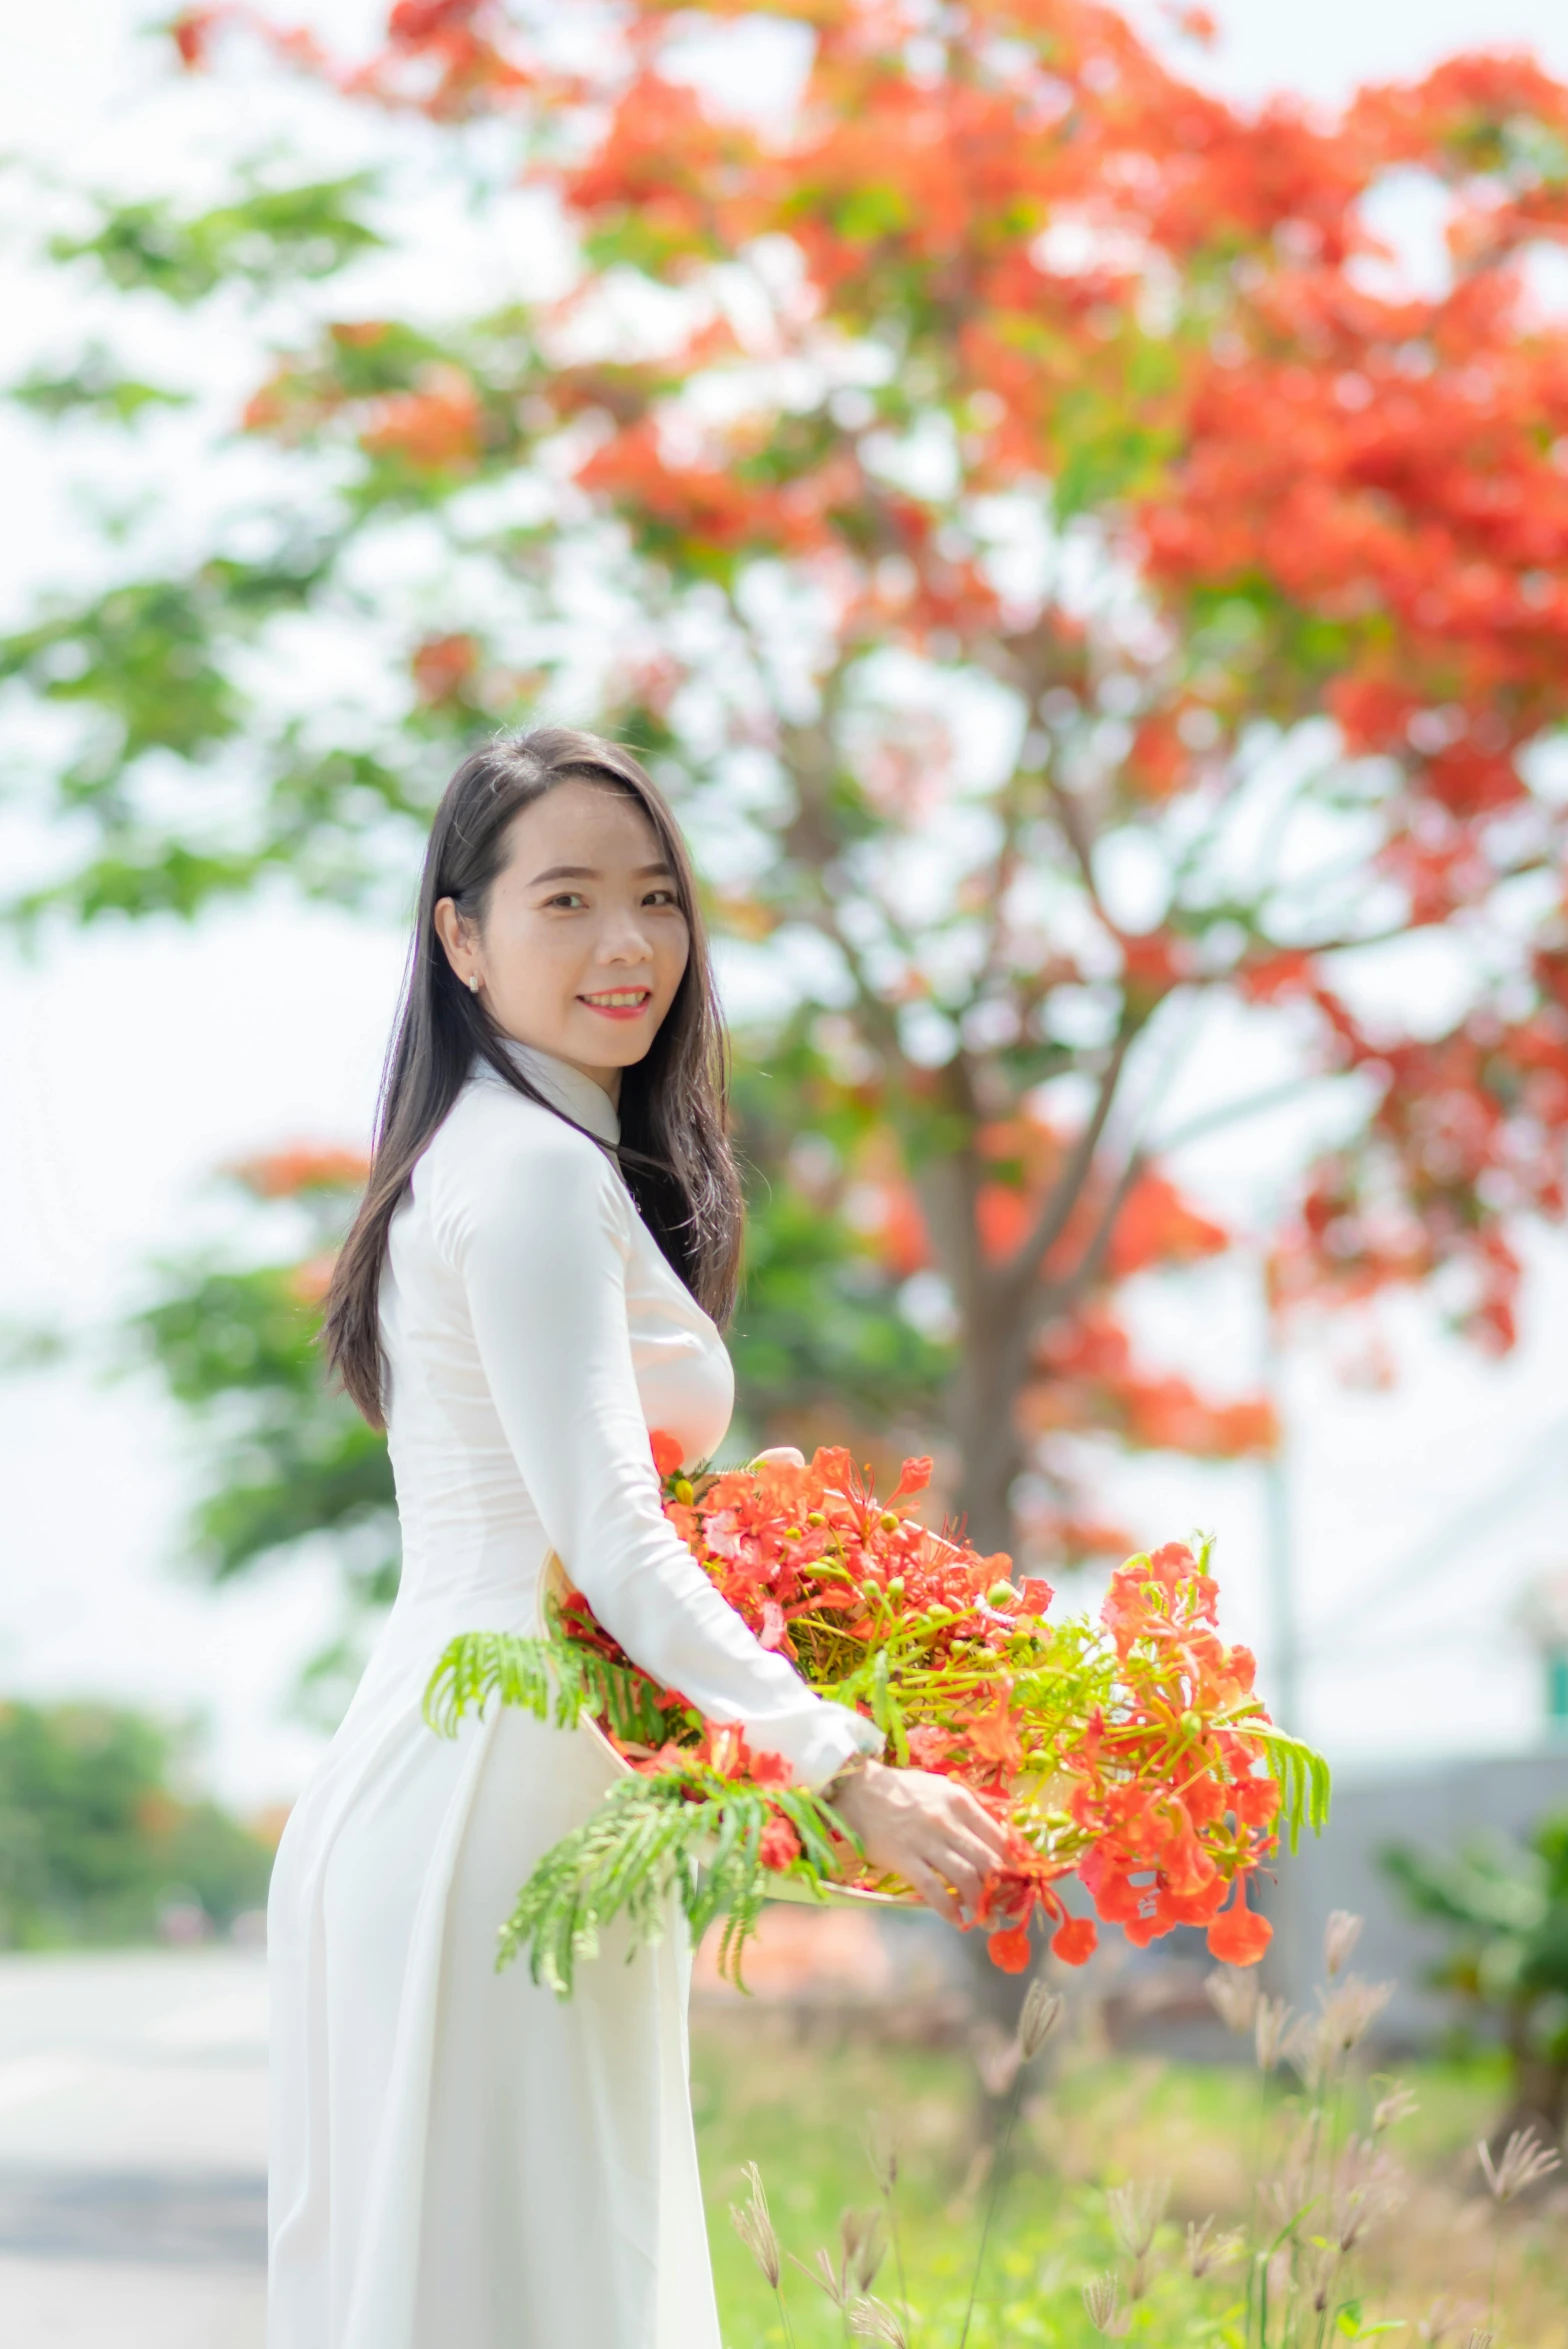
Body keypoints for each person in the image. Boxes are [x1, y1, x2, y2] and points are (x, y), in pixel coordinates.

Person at [266, 727, 1011, 2349]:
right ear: (460, 938)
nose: (628, 946)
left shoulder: (511, 1158)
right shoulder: (526, 1174)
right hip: (493, 1800)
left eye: (657, 898)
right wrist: (842, 1761)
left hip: (502, 1783)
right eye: (568, 901)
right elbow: (609, 1536)